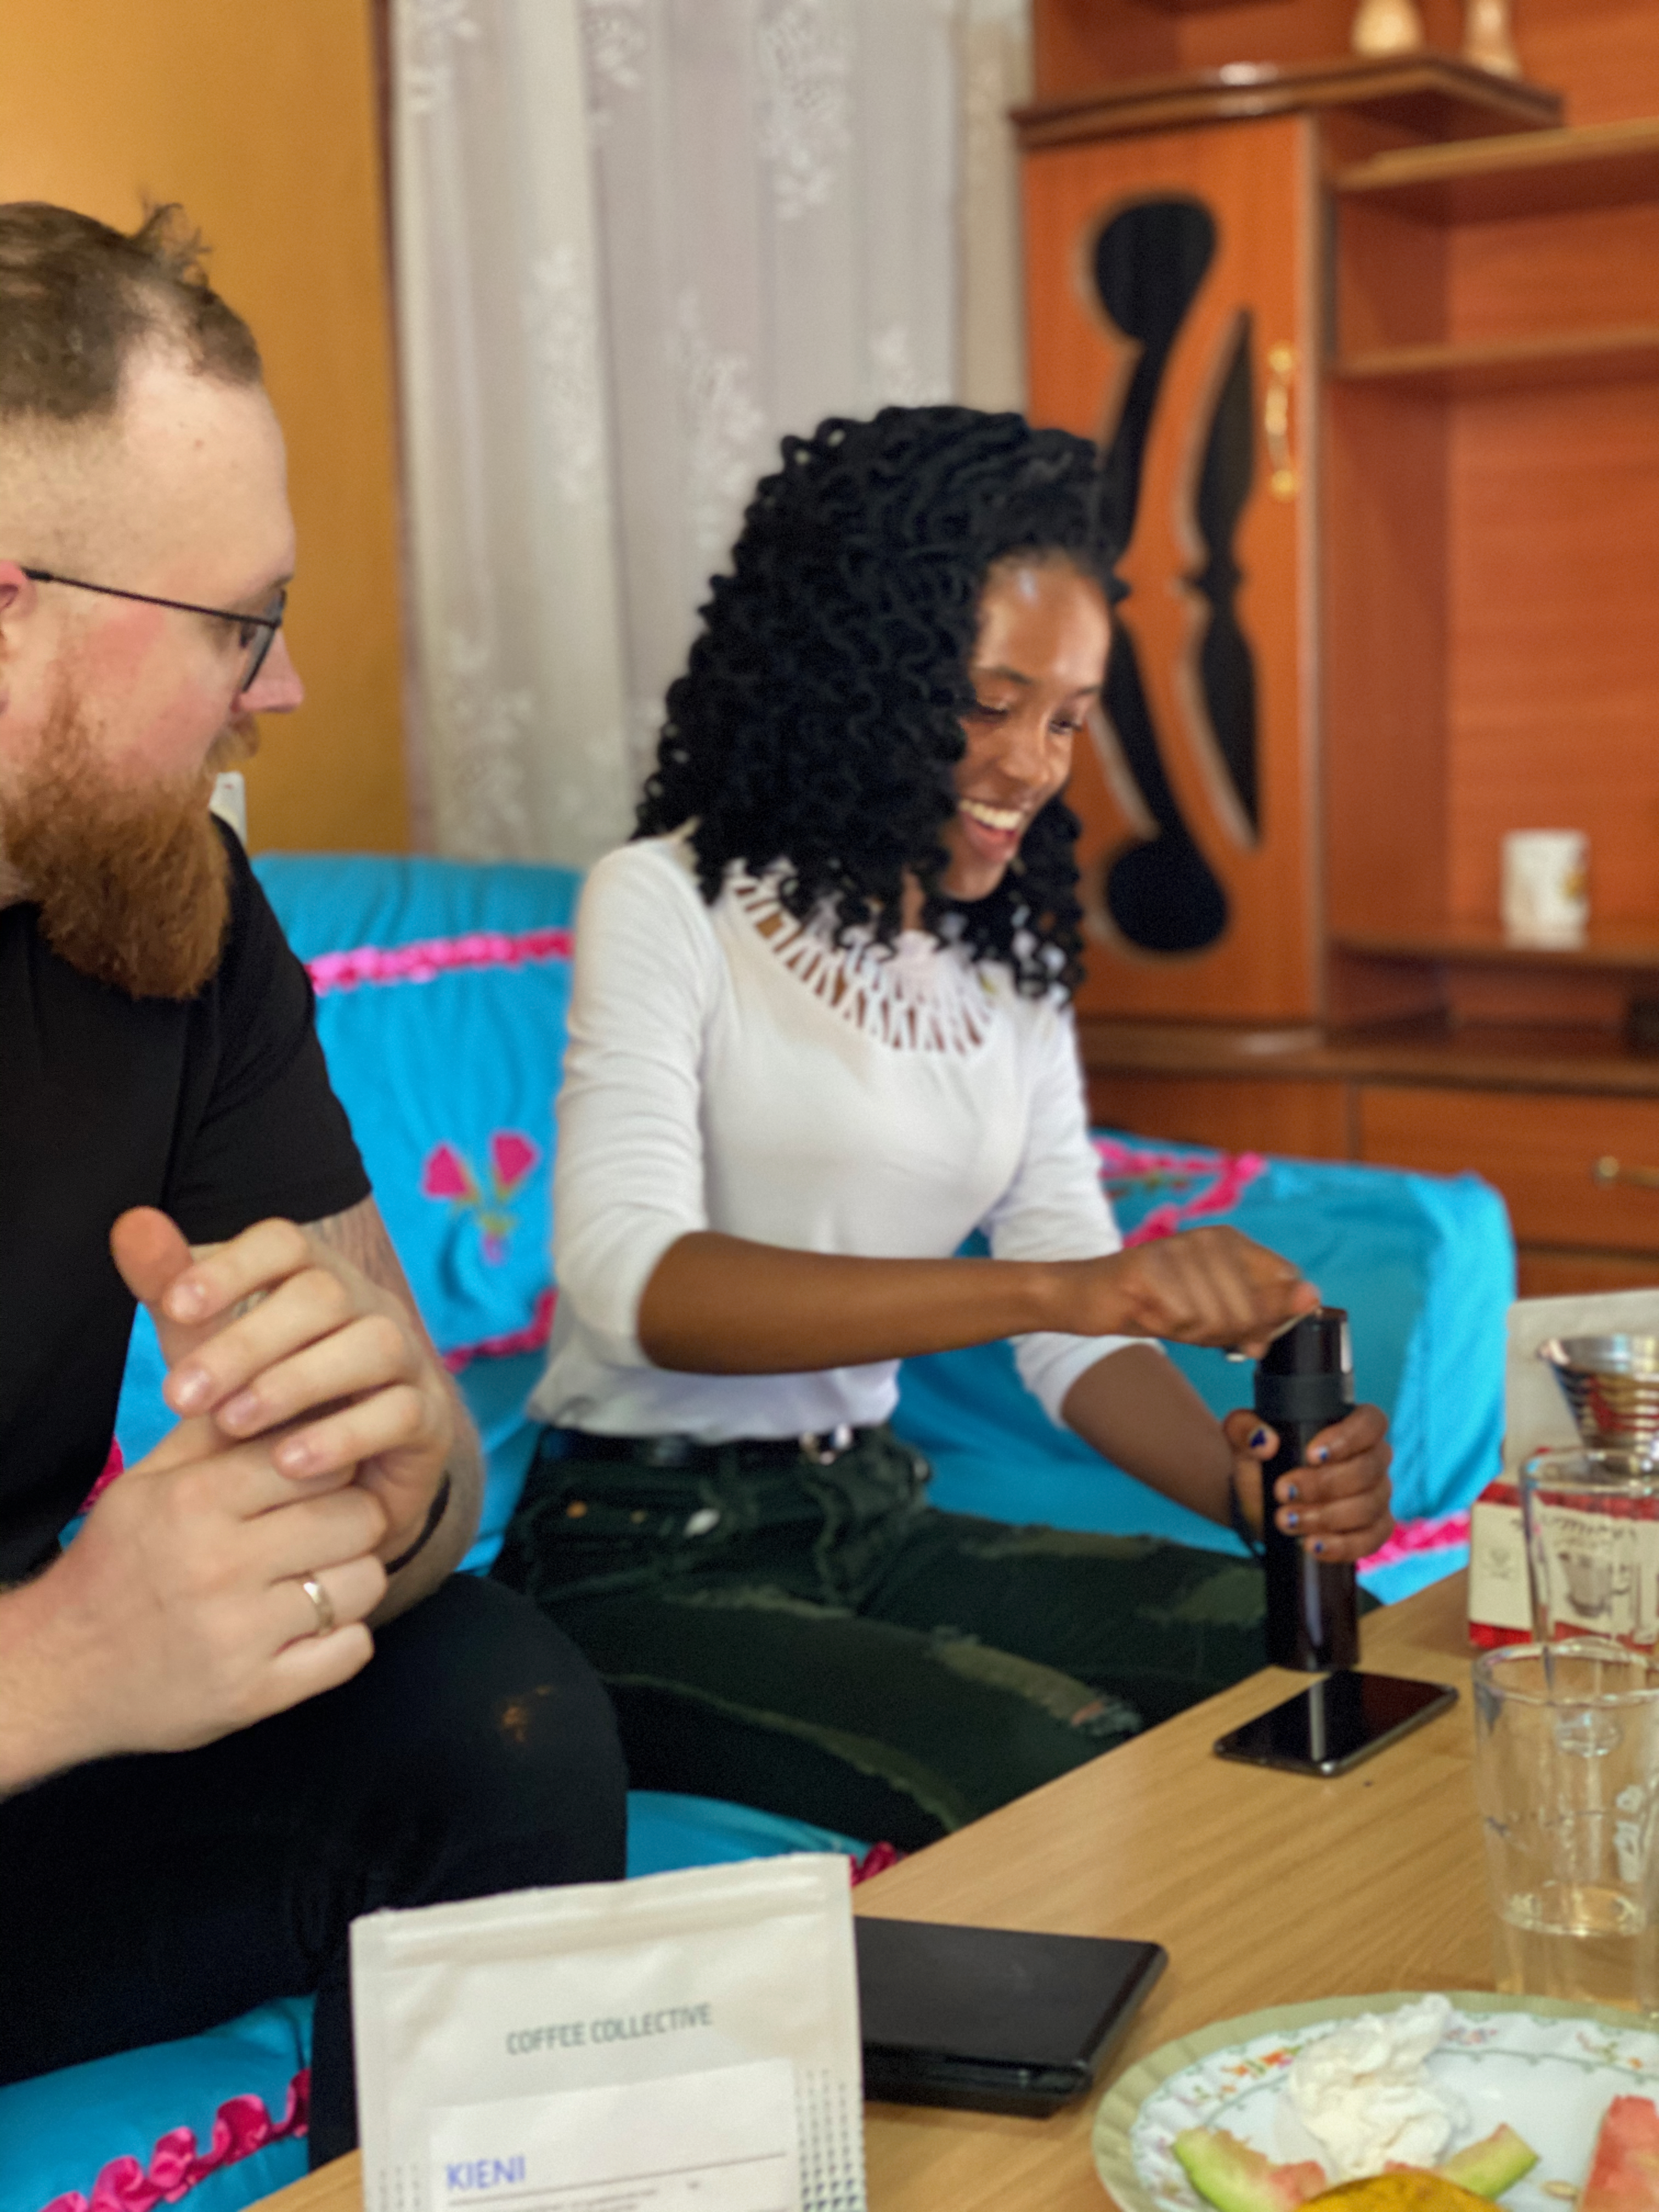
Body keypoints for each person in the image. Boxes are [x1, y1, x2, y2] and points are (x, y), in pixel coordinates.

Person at [493, 406, 1393, 1851]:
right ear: (858, 670)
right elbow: (631, 1281)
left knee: (1343, 1652)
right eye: (990, 699)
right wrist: (1066, 1286)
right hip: (643, 1558)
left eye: (1069, 720)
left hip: (875, 1516)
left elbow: (1072, 1331)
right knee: (1070, 1767)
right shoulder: (664, 904)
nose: (1031, 765)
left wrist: (1261, 1493)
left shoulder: (1007, 969)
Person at [0, 204, 625, 2164]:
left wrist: (383, 1468)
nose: (280, 692)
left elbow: (424, 1488)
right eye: (236, 623)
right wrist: (76, 1659)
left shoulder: (173, 911)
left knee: (492, 1712)